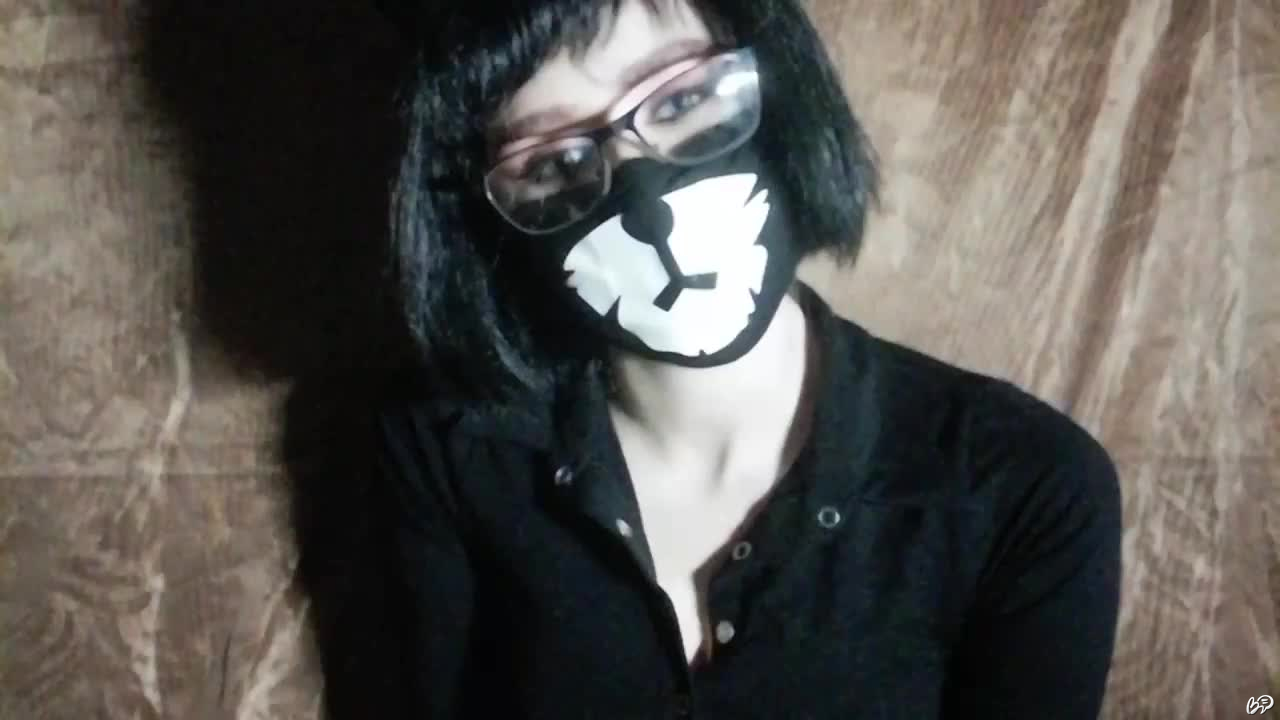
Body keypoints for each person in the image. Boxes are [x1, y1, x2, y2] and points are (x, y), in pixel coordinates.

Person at [371, 0, 1124, 717]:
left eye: (680, 101)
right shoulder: (452, 453)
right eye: (552, 161)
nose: (646, 201)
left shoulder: (1023, 488)